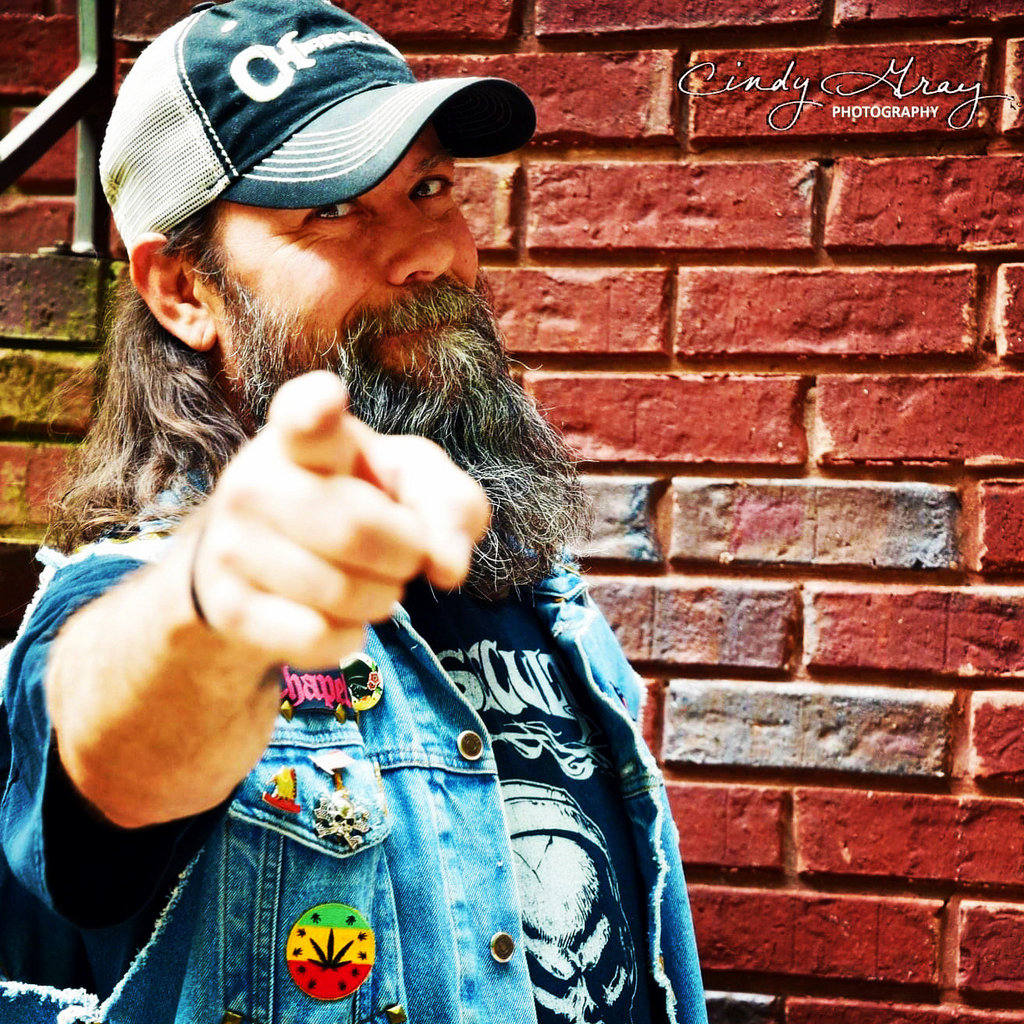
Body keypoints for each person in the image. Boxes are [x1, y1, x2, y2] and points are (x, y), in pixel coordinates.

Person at [0, 1, 708, 1022]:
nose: (426, 254)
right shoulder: (140, 597)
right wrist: (214, 597)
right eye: (332, 210)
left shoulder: (541, 599)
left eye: (428, 189)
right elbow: (110, 740)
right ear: (182, 289)